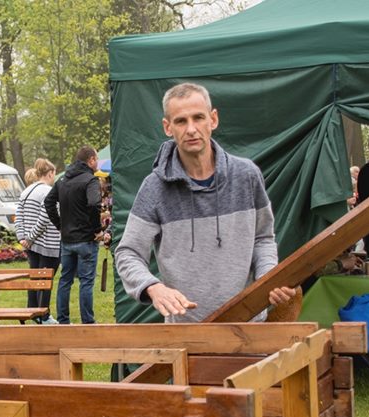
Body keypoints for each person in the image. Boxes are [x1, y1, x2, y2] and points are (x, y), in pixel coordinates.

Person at [116, 82, 295, 323]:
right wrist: (153, 287)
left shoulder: (247, 176)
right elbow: (128, 253)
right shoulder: (154, 188)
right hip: (187, 331)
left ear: (213, 119)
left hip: (248, 327)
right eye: (181, 121)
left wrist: (267, 277)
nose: (191, 129)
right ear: (168, 127)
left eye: (198, 118)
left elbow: (262, 238)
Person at [44, 146, 104, 324]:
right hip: (86, 239)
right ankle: (88, 322)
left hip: (67, 239)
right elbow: (94, 204)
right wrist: (97, 229)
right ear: (91, 160)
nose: (97, 163)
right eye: (96, 159)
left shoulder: (63, 180)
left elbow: (49, 202)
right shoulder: (90, 180)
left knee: (65, 280)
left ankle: (63, 320)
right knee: (86, 282)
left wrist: (60, 225)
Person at [15, 158, 60, 324]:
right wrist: (30, 237)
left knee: (34, 278)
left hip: (31, 245)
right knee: (45, 281)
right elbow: (45, 218)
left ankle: (32, 310)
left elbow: (18, 216)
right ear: (50, 173)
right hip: (47, 244)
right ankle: (44, 315)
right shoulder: (48, 192)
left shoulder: (26, 191)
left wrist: (22, 237)